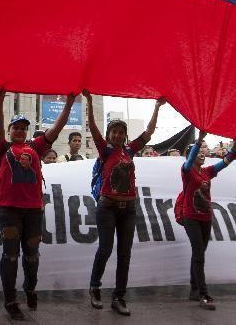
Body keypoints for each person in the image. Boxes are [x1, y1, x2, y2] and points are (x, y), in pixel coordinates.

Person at [0, 89, 75, 321]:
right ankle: (10, 300)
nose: (19, 130)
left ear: (27, 131)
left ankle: (30, 288)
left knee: (32, 255)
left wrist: (68, 104)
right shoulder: (1, 148)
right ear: (9, 131)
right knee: (10, 256)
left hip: (33, 210)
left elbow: (56, 130)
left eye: (23, 127)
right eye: (15, 127)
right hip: (8, 209)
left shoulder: (36, 147)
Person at [84, 92, 164, 315]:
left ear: (125, 137)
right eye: (114, 132)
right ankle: (95, 288)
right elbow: (92, 128)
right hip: (107, 207)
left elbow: (148, 133)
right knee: (105, 249)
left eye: (121, 132)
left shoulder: (130, 151)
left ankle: (119, 297)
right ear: (109, 135)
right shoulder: (105, 150)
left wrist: (157, 107)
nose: (118, 135)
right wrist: (89, 102)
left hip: (128, 209)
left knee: (124, 254)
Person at [180, 130, 236, 310]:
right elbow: (189, 161)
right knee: (199, 254)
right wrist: (199, 140)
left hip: (206, 217)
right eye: (198, 152)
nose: (201, 154)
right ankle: (203, 294)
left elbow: (225, 162)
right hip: (191, 217)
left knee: (199, 254)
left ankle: (193, 289)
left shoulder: (207, 172)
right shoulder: (187, 171)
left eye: (202, 152)